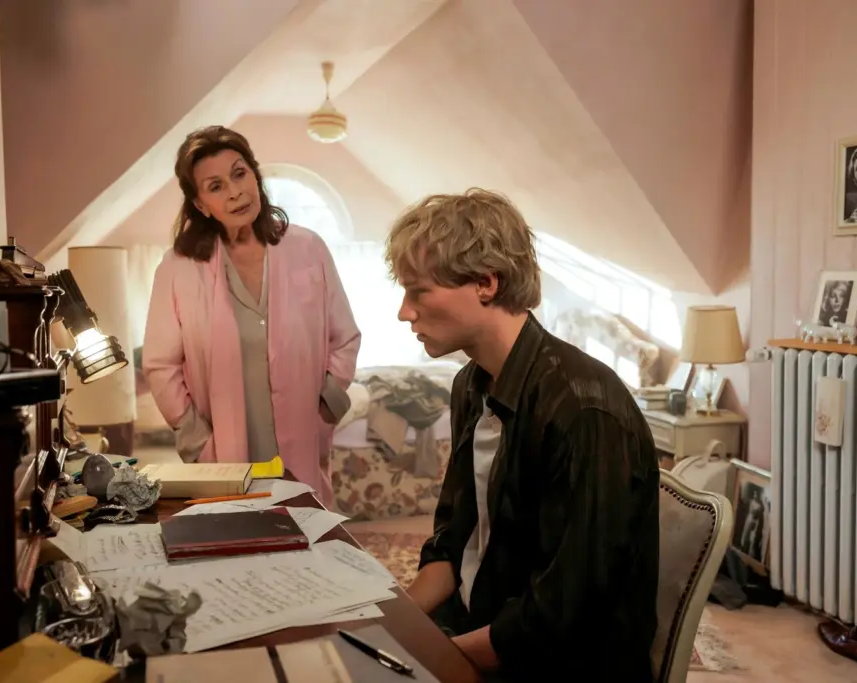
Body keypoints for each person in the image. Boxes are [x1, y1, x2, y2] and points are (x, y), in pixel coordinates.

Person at [385, 189, 659, 681]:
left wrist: (434, 657)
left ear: (486, 283)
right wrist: (391, 626)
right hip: (485, 627)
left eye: (418, 291)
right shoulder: (470, 384)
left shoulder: (582, 410)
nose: (405, 312)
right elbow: (453, 543)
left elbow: (565, 609)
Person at [142, 125, 360, 505]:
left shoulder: (309, 248)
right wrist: (195, 438)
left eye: (240, 174)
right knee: (236, 534)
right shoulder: (178, 268)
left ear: (255, 176)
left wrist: (326, 407)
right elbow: (161, 365)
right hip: (224, 453)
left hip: (301, 442)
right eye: (216, 186)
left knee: (304, 531)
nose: (235, 192)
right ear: (200, 205)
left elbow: (344, 339)